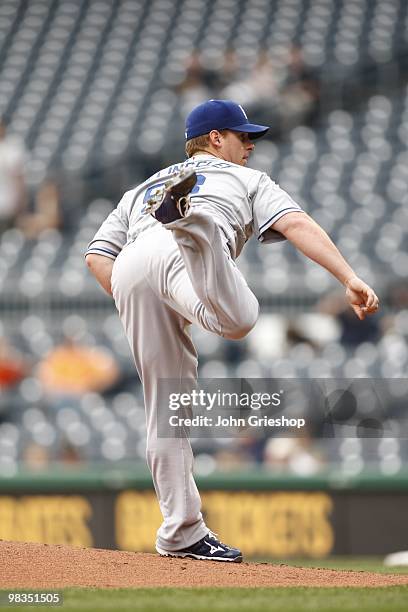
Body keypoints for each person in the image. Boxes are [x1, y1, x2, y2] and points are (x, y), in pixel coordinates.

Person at [85, 99, 379, 563]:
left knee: (167, 408)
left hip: (131, 262)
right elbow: (296, 223)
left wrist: (133, 296)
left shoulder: (140, 187)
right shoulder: (245, 179)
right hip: (181, 246)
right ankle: (194, 225)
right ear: (216, 138)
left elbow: (97, 258)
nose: (251, 146)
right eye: (244, 136)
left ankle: (182, 532)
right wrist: (348, 277)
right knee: (240, 321)